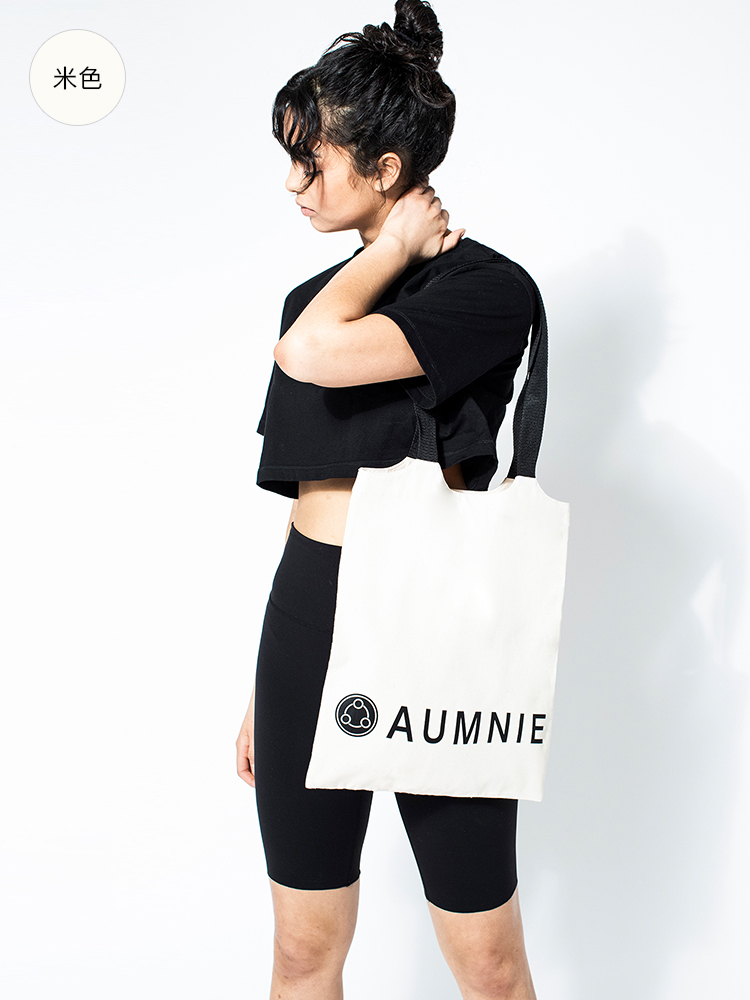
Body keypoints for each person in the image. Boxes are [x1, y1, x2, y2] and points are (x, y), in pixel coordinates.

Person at [236, 2, 540, 997]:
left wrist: (396, 256)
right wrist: (268, 684)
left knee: (486, 960)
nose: (294, 184)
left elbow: (312, 356)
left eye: (310, 160)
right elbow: (308, 502)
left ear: (388, 170)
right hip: (309, 614)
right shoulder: (315, 301)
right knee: (301, 950)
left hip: (434, 617)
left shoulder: (487, 292)